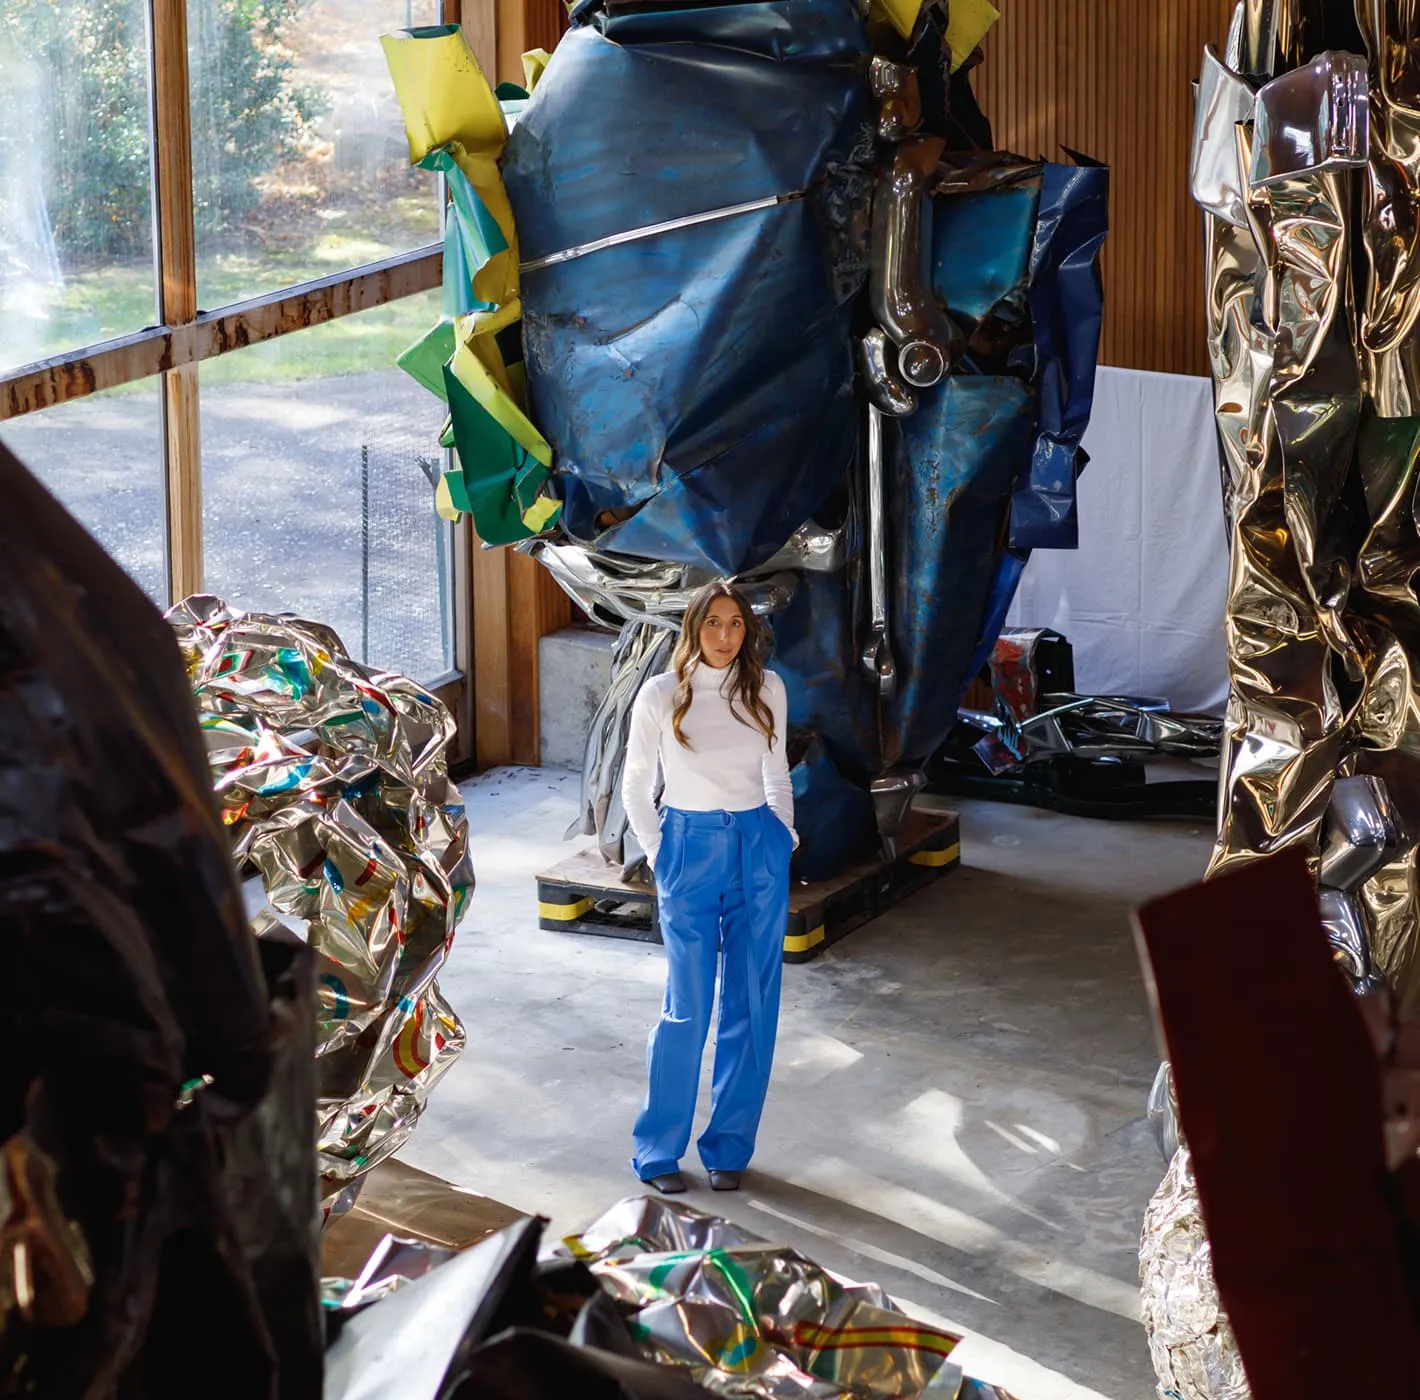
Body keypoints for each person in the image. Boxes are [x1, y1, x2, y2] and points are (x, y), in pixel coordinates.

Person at [621, 580, 797, 1194]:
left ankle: (728, 1147)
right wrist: (660, 854)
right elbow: (636, 786)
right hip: (688, 848)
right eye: (713, 624)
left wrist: (784, 837)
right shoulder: (661, 695)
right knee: (686, 1006)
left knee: (752, 1001)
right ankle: (658, 1150)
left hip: (758, 847)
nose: (725, 637)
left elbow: (777, 773)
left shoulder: (767, 688)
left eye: (736, 625)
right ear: (692, 628)